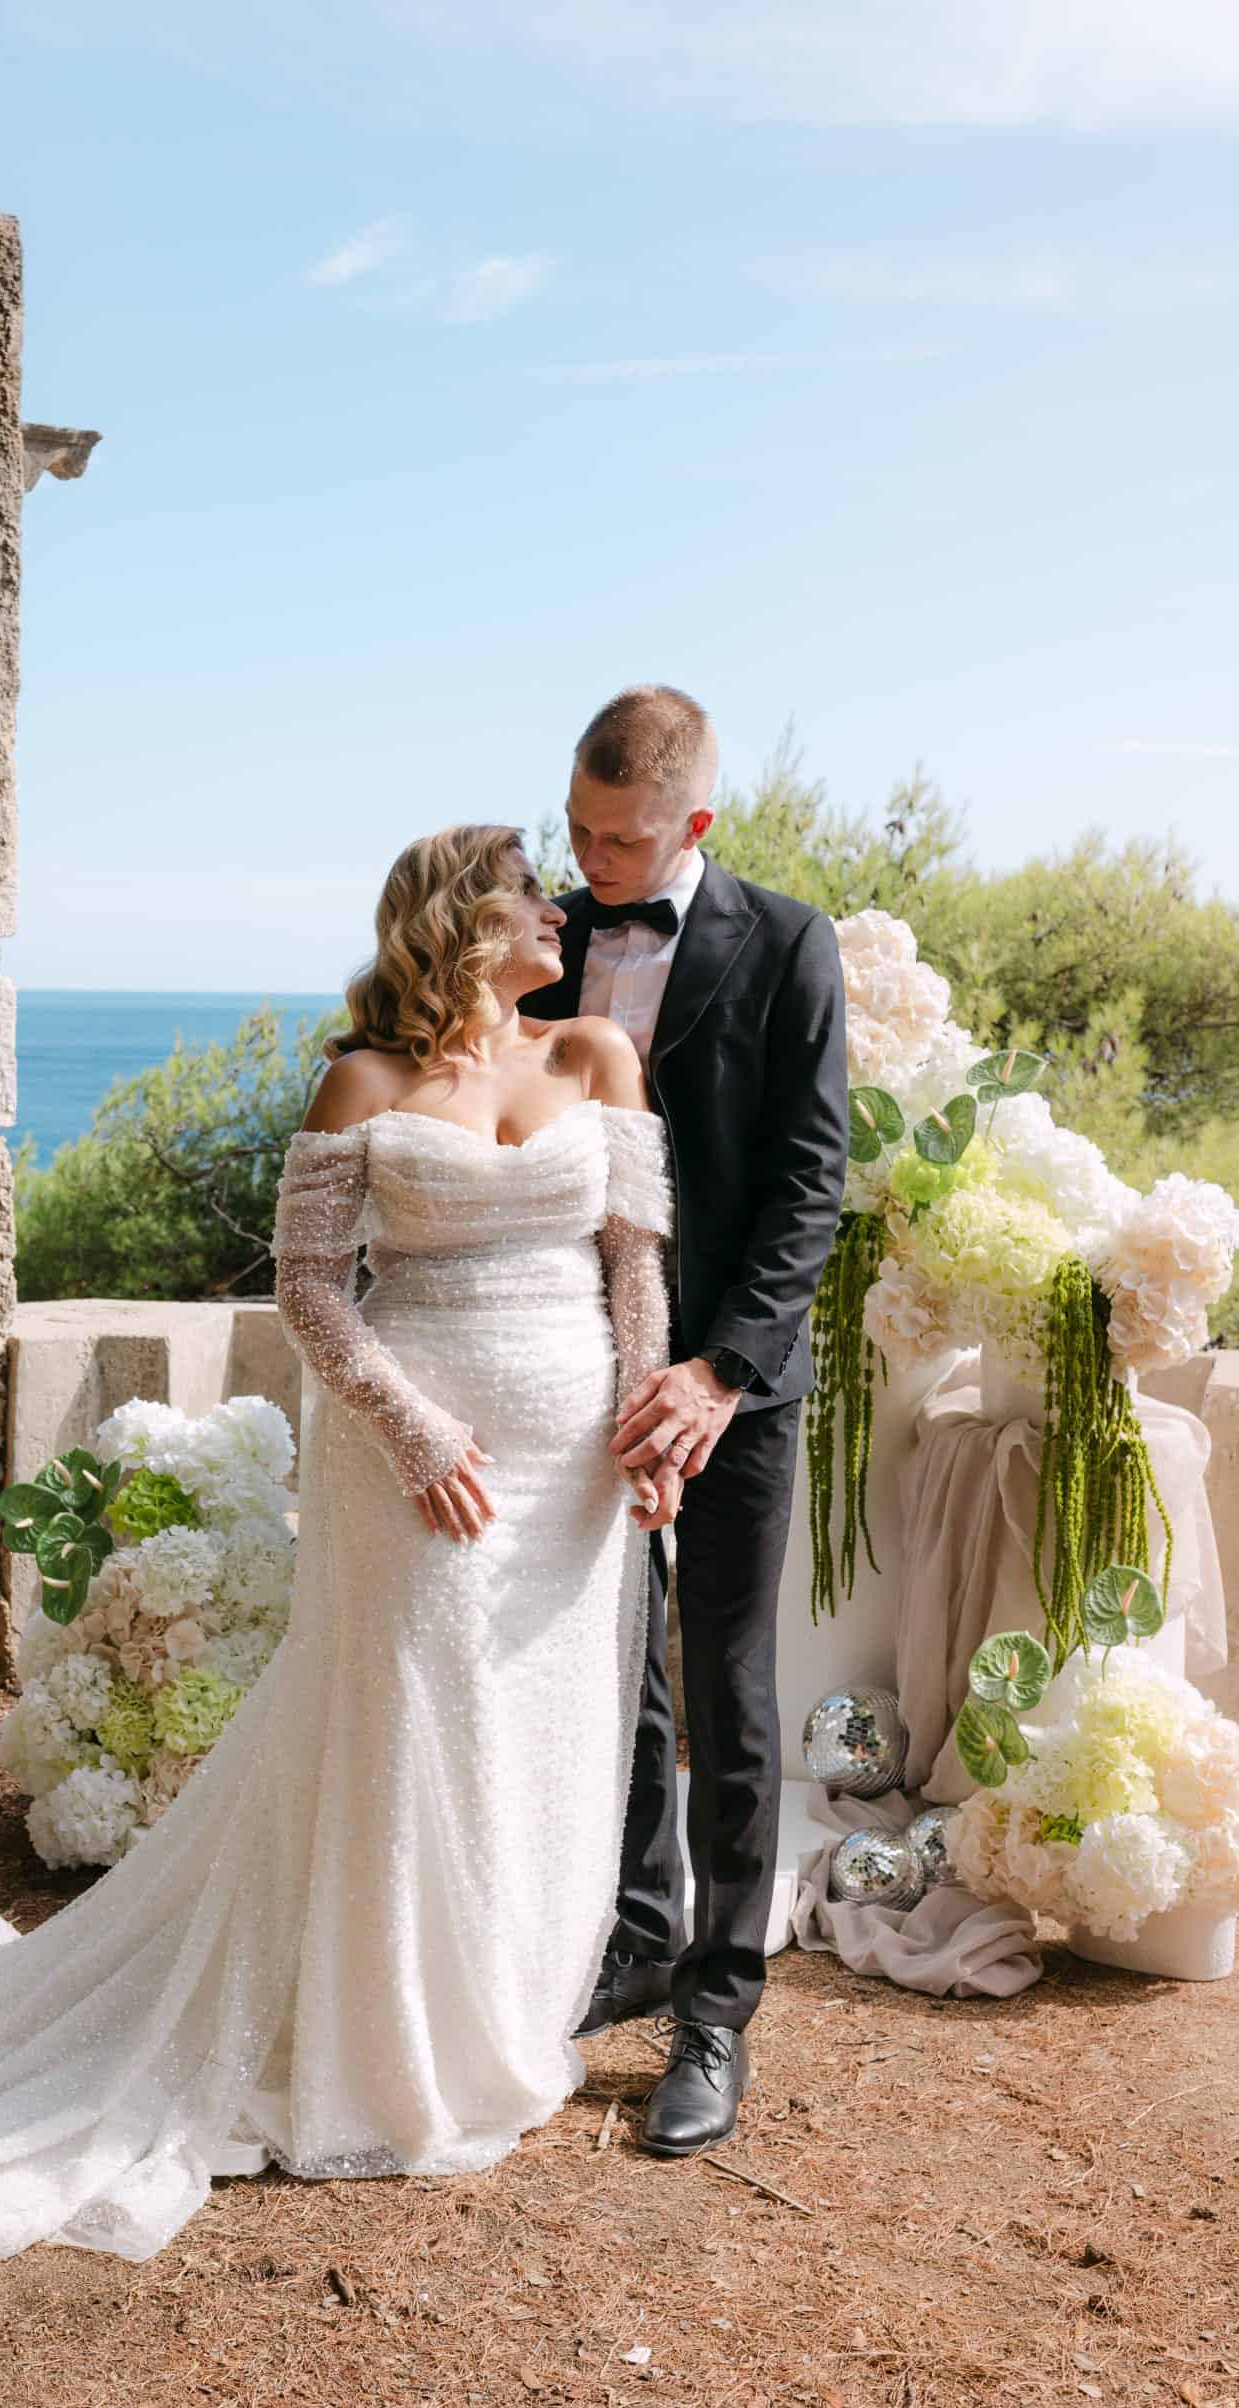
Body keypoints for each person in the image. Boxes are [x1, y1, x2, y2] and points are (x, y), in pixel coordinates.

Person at [0, 825, 676, 2264]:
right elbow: (309, 1293)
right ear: (464, 923)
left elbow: (636, 1263)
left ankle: (498, 2017)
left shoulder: (598, 1054)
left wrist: (647, 1425)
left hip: (572, 1476)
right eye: (533, 892)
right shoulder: (368, 1079)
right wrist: (415, 1431)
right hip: (416, 1470)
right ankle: (389, 2040)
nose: (560, 911)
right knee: (420, 1726)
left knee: (534, 1729)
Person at [521, 686, 848, 2157]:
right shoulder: (539, 938)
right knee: (611, 1673)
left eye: (623, 840)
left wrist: (715, 1375)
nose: (592, 860)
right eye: (578, 831)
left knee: (723, 1684)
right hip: (563, 1372)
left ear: (696, 824)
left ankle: (717, 2007)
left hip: (725, 1387)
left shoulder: (787, 947)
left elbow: (804, 1189)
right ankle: (640, 1931)